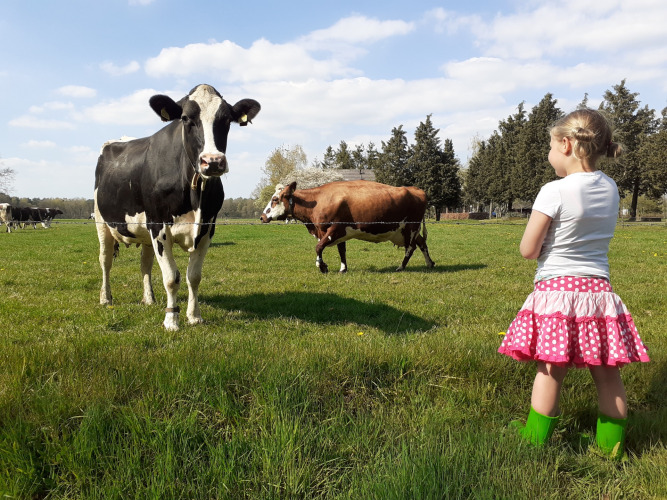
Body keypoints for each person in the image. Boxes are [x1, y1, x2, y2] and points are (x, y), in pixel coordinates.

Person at [498, 108, 650, 459]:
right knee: (608, 374)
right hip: (599, 294)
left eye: (550, 147)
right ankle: (610, 449)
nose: (549, 155)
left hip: (556, 295)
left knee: (550, 370)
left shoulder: (554, 191)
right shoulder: (611, 188)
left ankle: (535, 440)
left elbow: (527, 250)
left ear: (566, 144)